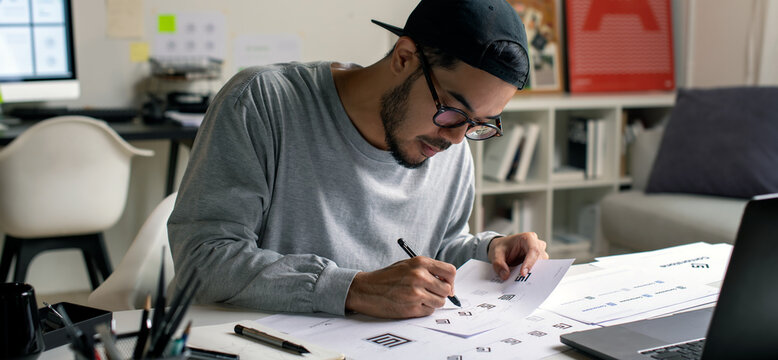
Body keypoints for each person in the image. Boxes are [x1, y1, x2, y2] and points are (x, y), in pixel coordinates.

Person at [168, 0, 548, 319]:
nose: (456, 137)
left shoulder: (449, 142)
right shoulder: (262, 103)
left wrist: (489, 250)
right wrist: (354, 289)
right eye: (452, 111)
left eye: (480, 124)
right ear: (404, 58)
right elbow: (203, 260)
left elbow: (440, 246)